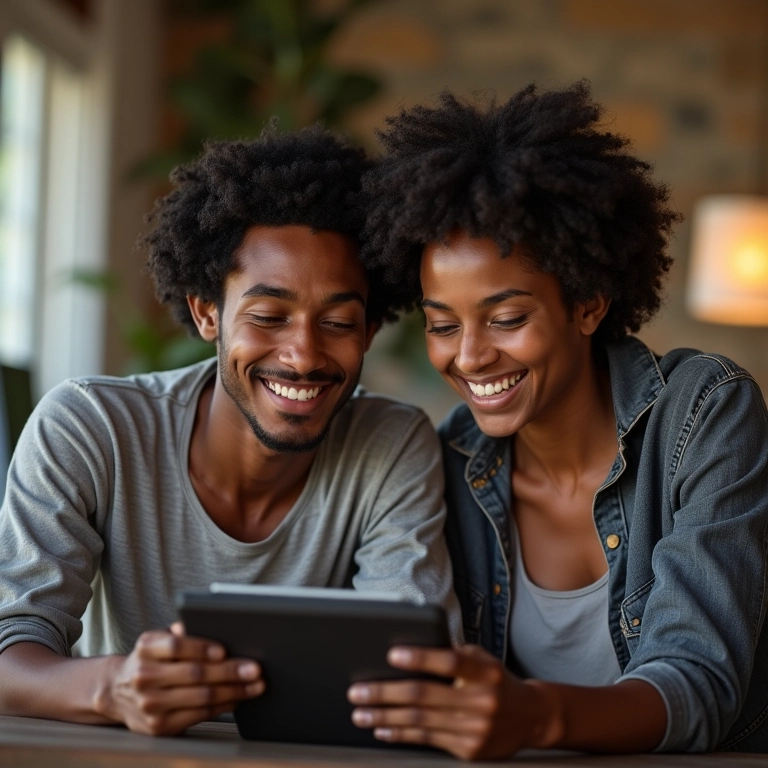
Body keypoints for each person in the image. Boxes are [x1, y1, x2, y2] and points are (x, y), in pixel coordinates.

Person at [348, 81, 768, 760]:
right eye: (442, 325)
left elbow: (700, 681)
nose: (472, 356)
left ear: (588, 304)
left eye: (507, 318)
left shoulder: (703, 413)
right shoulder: (447, 460)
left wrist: (534, 716)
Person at [0, 124, 460, 736]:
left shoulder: (392, 444)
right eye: (269, 316)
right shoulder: (92, 428)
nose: (302, 354)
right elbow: (10, 654)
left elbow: (414, 672)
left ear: (370, 331)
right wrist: (113, 689)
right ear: (207, 312)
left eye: (339, 322)